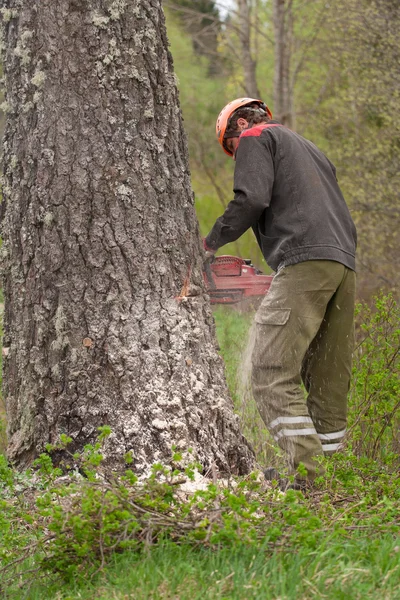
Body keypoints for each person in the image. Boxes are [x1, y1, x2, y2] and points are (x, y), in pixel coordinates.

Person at [204, 97, 357, 490]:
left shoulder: (255, 137)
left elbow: (251, 199)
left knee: (270, 371)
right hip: (342, 266)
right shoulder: (310, 150)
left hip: (305, 263)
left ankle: (309, 479)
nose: (237, 155)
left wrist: (209, 244)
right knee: (326, 380)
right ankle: (334, 480)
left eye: (231, 149)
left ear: (236, 127)